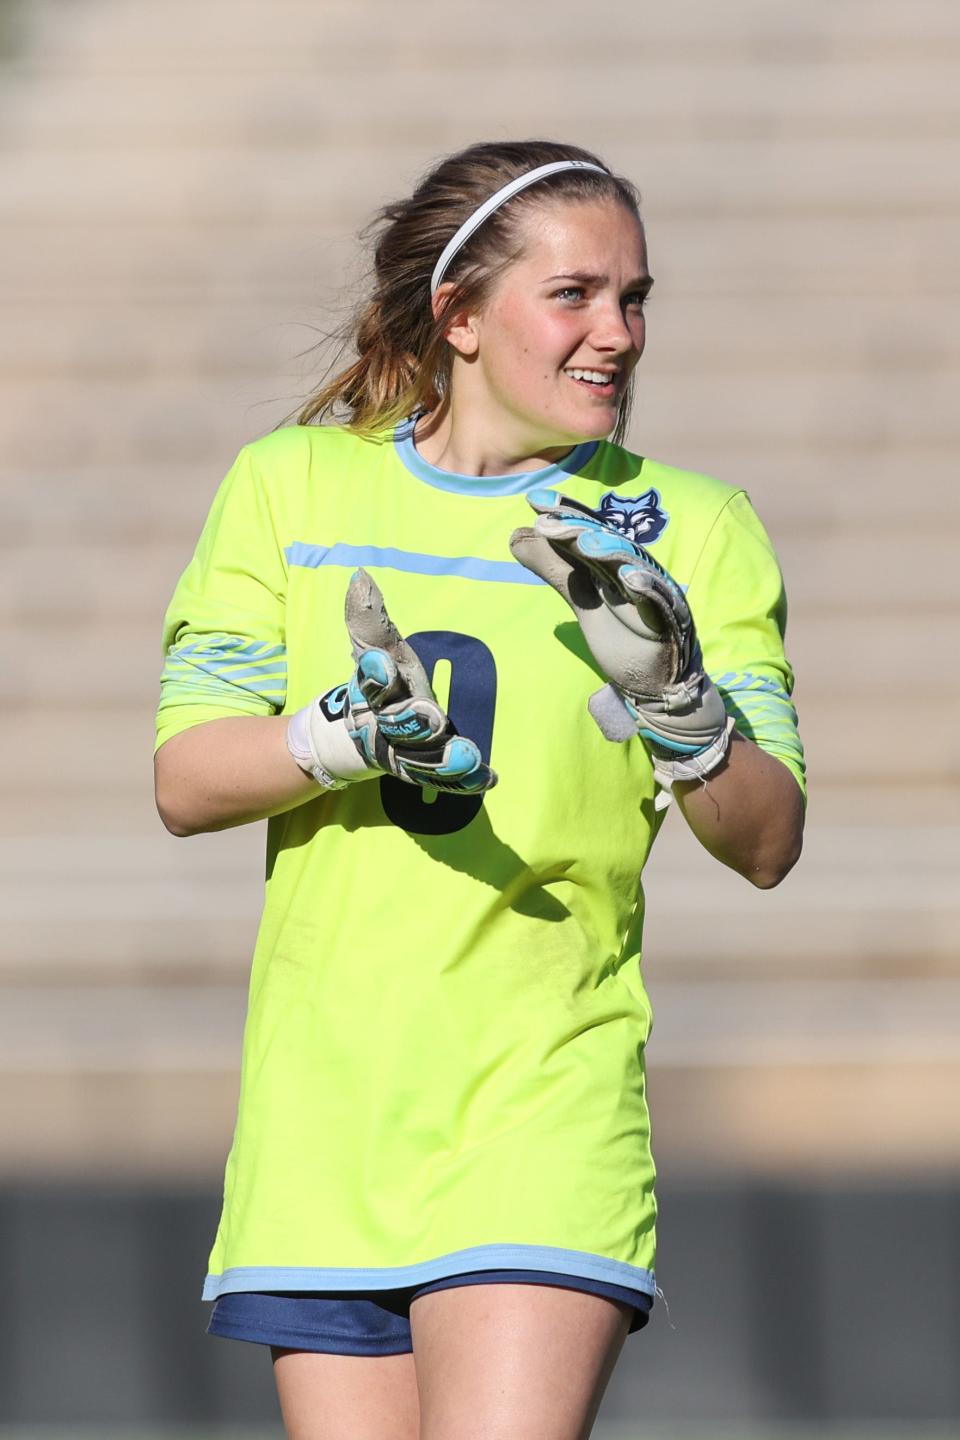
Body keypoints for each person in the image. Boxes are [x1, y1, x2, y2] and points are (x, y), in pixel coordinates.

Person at [154, 139, 805, 1440]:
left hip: (544, 1108)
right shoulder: (289, 487)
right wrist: (342, 736)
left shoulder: (692, 527)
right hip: (326, 1119)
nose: (616, 332)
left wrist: (687, 709)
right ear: (459, 316)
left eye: (635, 297)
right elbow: (185, 779)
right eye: (574, 295)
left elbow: (768, 838)